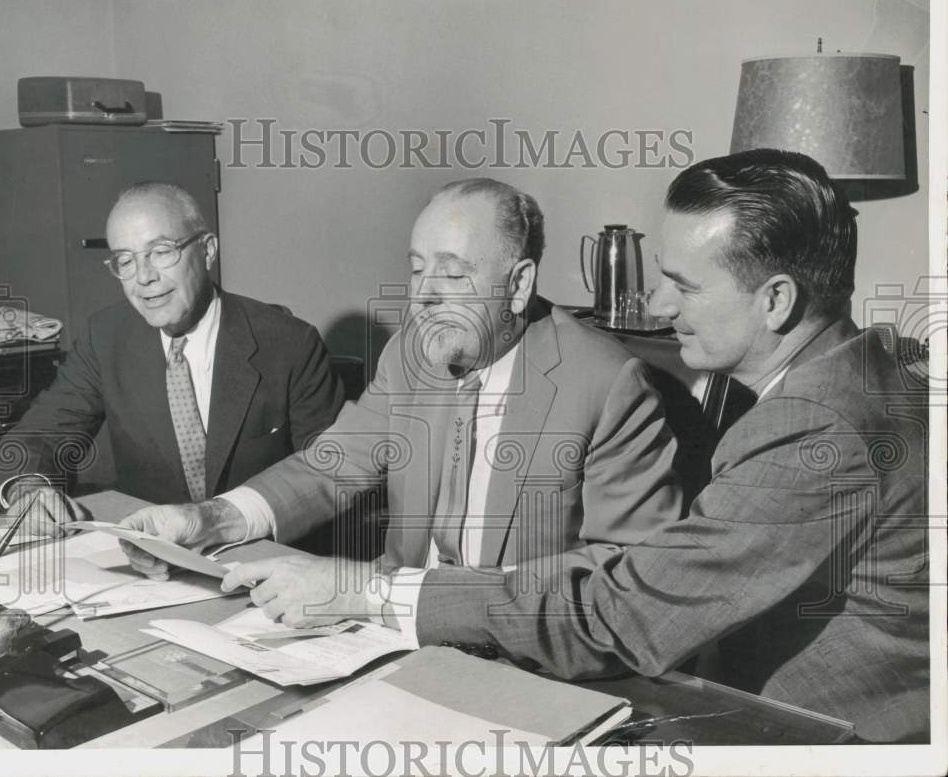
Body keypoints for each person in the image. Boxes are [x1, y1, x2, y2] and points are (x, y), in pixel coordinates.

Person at [372, 151, 928, 743]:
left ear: (776, 301)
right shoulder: (878, 365)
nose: (659, 306)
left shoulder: (813, 428)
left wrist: (382, 595)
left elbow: (629, 616)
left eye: (683, 286)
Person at [121, 177, 683, 646]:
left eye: (453, 273)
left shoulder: (605, 384)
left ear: (518, 286)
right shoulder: (413, 351)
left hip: (524, 654)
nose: (424, 296)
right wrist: (208, 519)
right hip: (392, 642)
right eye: (417, 269)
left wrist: (367, 591)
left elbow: (626, 581)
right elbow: (330, 465)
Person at [0, 182, 344, 534]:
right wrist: (27, 487)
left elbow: (333, 474)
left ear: (208, 250)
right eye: (125, 260)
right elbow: (43, 433)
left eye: (161, 251)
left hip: (259, 555)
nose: (144, 277)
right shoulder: (105, 337)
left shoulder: (289, 343)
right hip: (151, 562)